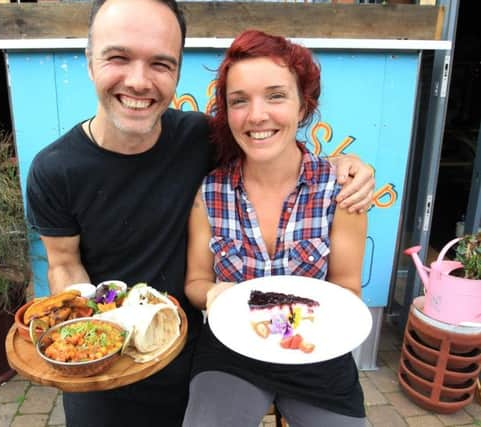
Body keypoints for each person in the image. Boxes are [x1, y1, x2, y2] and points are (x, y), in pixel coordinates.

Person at [25, 1, 374, 426]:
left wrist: (346, 164)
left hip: (185, 354)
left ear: (176, 71)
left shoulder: (196, 137)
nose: (138, 81)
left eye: (160, 63)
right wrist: (99, 343)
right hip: (109, 367)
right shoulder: (54, 169)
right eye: (118, 57)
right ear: (89, 62)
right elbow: (63, 267)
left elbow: (266, 139)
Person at [182, 30, 368, 427]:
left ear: (304, 105)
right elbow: (196, 281)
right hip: (231, 350)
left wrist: (309, 329)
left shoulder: (341, 191)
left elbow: (348, 291)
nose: (256, 115)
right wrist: (213, 292)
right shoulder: (210, 190)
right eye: (239, 101)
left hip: (316, 350)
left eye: (276, 95)